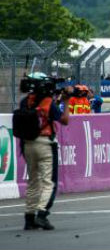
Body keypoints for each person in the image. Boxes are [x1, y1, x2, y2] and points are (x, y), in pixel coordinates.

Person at [18, 82, 70, 230]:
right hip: (45, 143)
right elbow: (64, 120)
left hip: (27, 144)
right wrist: (65, 102)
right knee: (49, 182)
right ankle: (42, 214)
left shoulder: (25, 101)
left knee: (33, 181)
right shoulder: (48, 103)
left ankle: (29, 218)